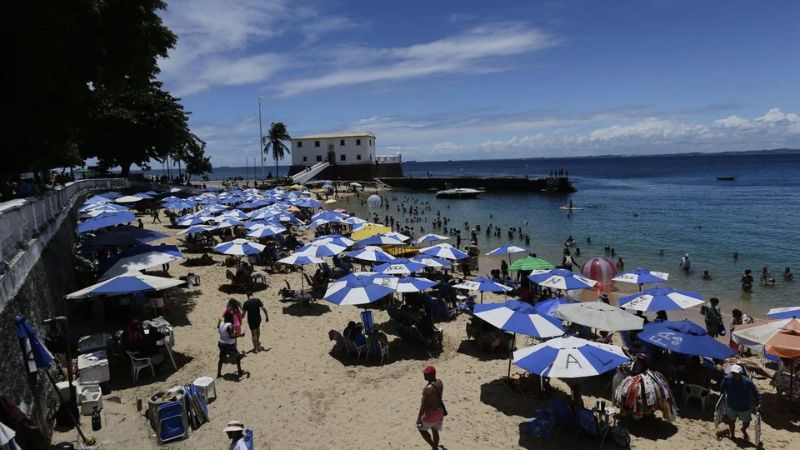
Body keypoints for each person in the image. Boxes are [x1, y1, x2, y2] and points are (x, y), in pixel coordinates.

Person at [720, 365, 760, 441]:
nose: (734, 374)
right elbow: (722, 389)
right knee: (731, 422)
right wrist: (723, 397)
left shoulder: (748, 382)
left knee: (746, 422)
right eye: (733, 372)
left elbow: (756, 393)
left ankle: (743, 429)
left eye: (736, 373)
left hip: (744, 407)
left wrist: (758, 402)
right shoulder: (727, 379)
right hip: (731, 405)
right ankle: (732, 435)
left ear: (741, 373)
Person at [417, 366, 445, 450]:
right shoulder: (440, 382)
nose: (424, 374)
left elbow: (423, 406)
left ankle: (434, 447)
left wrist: (419, 418)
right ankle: (435, 447)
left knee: (420, 427)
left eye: (426, 374)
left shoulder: (427, 390)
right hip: (440, 412)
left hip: (430, 414)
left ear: (431, 375)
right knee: (435, 431)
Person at [217, 311, 245, 379]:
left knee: (221, 358)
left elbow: (220, 331)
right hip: (228, 345)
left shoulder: (221, 323)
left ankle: (219, 373)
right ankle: (240, 371)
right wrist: (240, 335)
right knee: (238, 356)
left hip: (221, 343)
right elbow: (231, 336)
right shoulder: (230, 325)